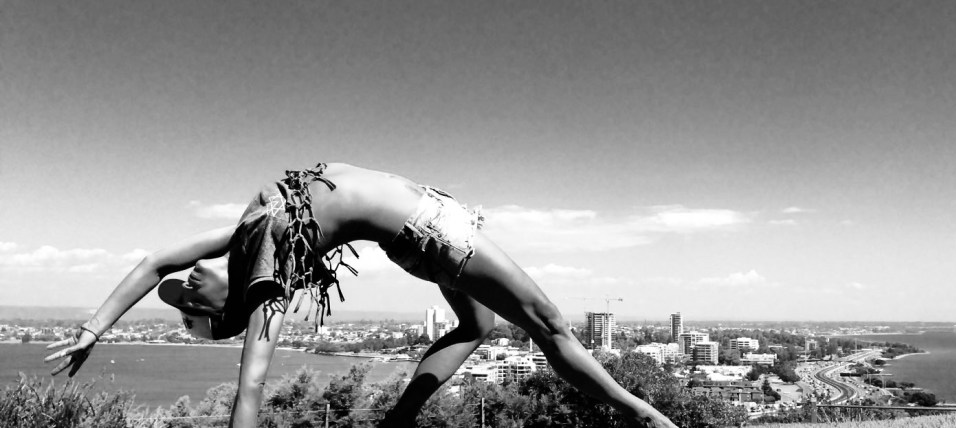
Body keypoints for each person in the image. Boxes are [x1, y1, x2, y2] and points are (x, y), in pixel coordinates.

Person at [45, 163, 678, 428]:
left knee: (475, 327)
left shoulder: (241, 236)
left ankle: (398, 425)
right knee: (551, 325)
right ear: (218, 310)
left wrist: (94, 329)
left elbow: (154, 262)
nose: (189, 281)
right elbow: (251, 391)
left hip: (424, 225)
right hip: (429, 233)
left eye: (187, 288)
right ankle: (641, 414)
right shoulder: (267, 274)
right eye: (190, 300)